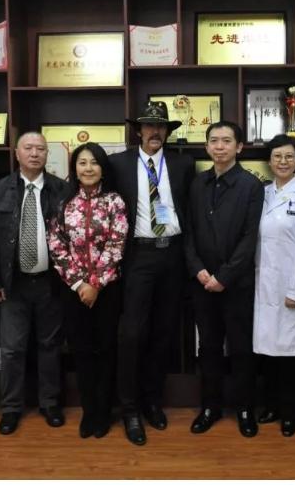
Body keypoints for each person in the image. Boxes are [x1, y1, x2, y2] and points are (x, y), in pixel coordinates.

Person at [110, 101, 195, 446]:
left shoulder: (183, 164)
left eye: (160, 127)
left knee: (163, 333)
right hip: (138, 256)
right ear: (138, 131)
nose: (155, 132)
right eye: (148, 126)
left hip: (173, 255)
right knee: (132, 334)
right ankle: (129, 408)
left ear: (167, 132)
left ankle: (152, 401)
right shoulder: (118, 164)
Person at [0, 131, 70, 435]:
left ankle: (50, 403)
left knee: (50, 346)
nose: (34, 153)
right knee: (12, 349)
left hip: (51, 283)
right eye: (28, 148)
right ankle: (10, 408)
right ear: (17, 153)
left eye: (40, 149)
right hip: (13, 284)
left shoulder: (61, 189)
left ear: (47, 154)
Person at [185, 120, 264, 438]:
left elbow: (250, 238)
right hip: (202, 282)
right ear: (206, 146)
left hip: (237, 284)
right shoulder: (197, 184)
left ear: (239, 147)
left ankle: (245, 408)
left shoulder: (251, 185)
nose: (219, 146)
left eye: (226, 141)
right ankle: (210, 406)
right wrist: (198, 269)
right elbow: (189, 232)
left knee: (242, 347)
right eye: (214, 141)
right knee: (208, 347)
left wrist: (224, 276)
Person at [48, 143, 128, 439]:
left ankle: (104, 412)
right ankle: (89, 411)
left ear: (103, 168)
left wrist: (95, 284)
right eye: (82, 163)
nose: (88, 168)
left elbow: (117, 245)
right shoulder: (63, 202)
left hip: (107, 290)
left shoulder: (114, 201)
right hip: (74, 291)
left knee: (106, 350)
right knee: (81, 351)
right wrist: (80, 283)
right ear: (75, 168)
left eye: (94, 162)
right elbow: (56, 246)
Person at [253, 134, 295, 437]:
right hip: (262, 284)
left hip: (291, 284)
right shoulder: (261, 193)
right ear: (269, 161)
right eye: (277, 156)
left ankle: (291, 412)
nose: (283, 162)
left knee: (292, 354)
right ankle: (271, 406)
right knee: (268, 352)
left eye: (289, 157)